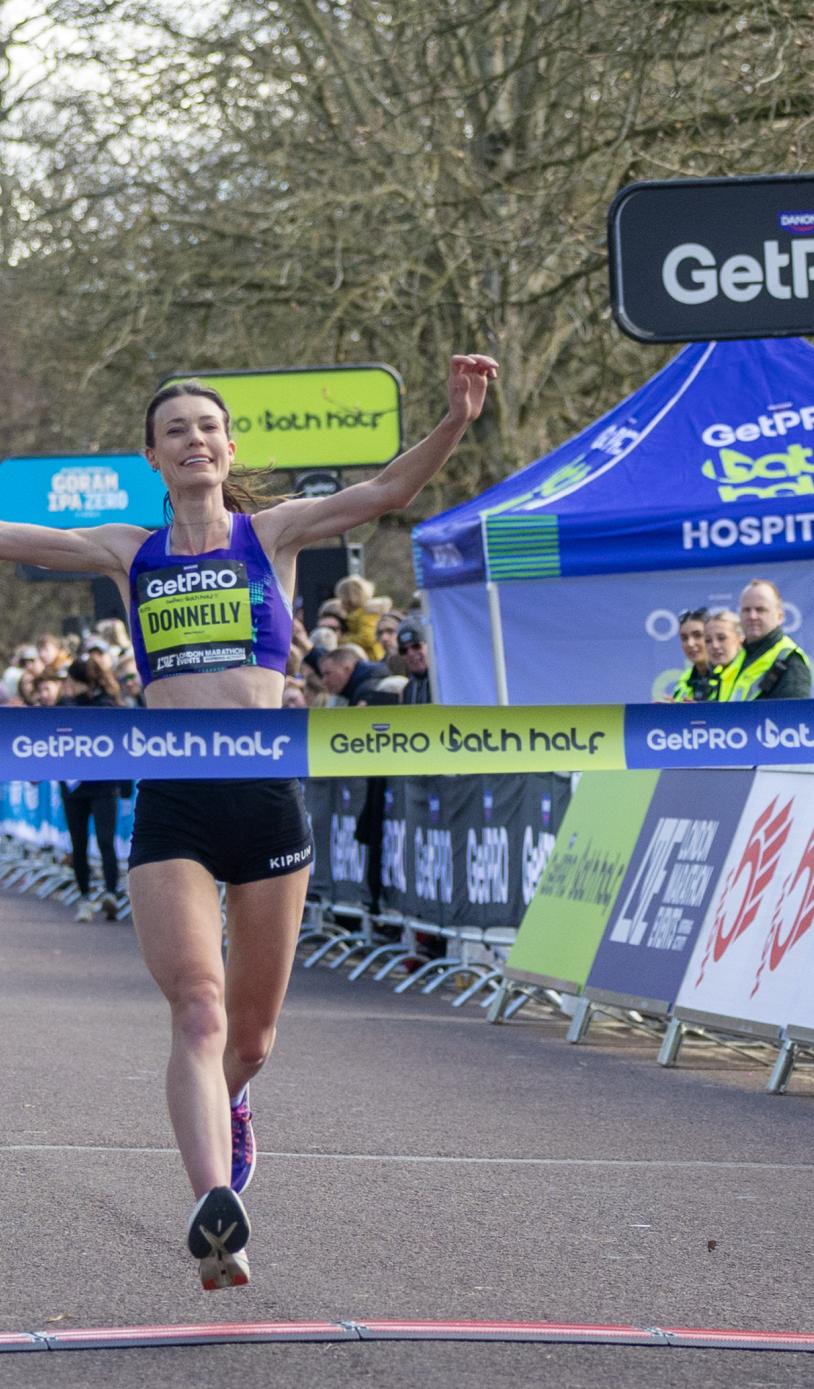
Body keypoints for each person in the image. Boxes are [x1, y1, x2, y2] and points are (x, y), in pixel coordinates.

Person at [0, 350, 497, 1291]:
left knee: (252, 1037)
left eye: (207, 427)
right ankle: (211, 1209)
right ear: (153, 456)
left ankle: (233, 1111)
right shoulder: (124, 549)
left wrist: (457, 419)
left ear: (230, 447)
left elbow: (390, 489)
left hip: (267, 797)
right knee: (197, 1002)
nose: (194, 440)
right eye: (175, 430)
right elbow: (9, 533)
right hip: (175, 803)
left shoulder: (272, 534)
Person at [59, 655, 123, 923]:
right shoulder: (67, 706)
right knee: (90, 843)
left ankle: (104, 895)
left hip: (100, 783)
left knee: (95, 842)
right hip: (78, 784)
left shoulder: (107, 705)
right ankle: (93, 895)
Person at [720, 579, 812, 701]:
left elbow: (792, 717)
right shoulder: (741, 656)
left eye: (760, 610)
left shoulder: (791, 660)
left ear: (780, 616)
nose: (752, 616)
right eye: (746, 610)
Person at [318, 643, 387, 705]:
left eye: (328, 674)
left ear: (347, 669)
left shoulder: (365, 691)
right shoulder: (359, 684)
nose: (324, 681)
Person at [672, 607, 714, 701]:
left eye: (698, 635)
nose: (690, 644)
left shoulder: (726, 675)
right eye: (684, 638)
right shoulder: (684, 679)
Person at [704, 609, 744, 701]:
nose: (714, 646)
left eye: (721, 638)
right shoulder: (714, 676)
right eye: (708, 640)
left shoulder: (751, 672)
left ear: (740, 638)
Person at [397, 615, 432, 704]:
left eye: (416, 646)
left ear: (429, 646)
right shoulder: (407, 690)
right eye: (403, 650)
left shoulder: (445, 683)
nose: (411, 653)